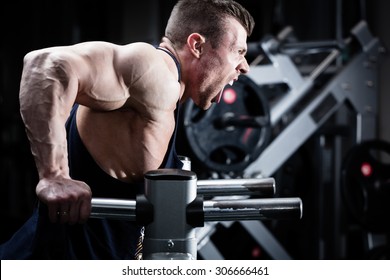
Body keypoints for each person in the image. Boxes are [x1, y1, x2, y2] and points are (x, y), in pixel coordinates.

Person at [0, 0, 254, 259]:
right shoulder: (155, 70)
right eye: (238, 51)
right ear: (197, 45)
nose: (244, 66)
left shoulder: (166, 95)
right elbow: (45, 63)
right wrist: (54, 176)